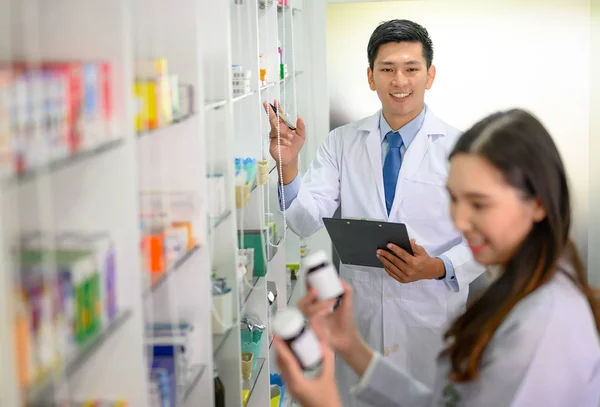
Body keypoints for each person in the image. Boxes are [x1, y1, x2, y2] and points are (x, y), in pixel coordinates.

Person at [274, 109, 600, 407]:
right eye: (454, 199)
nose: (459, 221)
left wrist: (326, 403)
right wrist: (351, 346)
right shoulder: (516, 290)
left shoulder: (541, 326)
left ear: (539, 204)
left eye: (480, 204)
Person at [264, 19, 483, 404]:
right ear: (371, 77)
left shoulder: (461, 148)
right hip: (361, 322)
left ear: (429, 75)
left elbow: (483, 237)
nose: (399, 81)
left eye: (411, 69)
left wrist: (439, 266)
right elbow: (303, 220)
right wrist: (289, 167)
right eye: (387, 69)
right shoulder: (342, 143)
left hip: (431, 321)